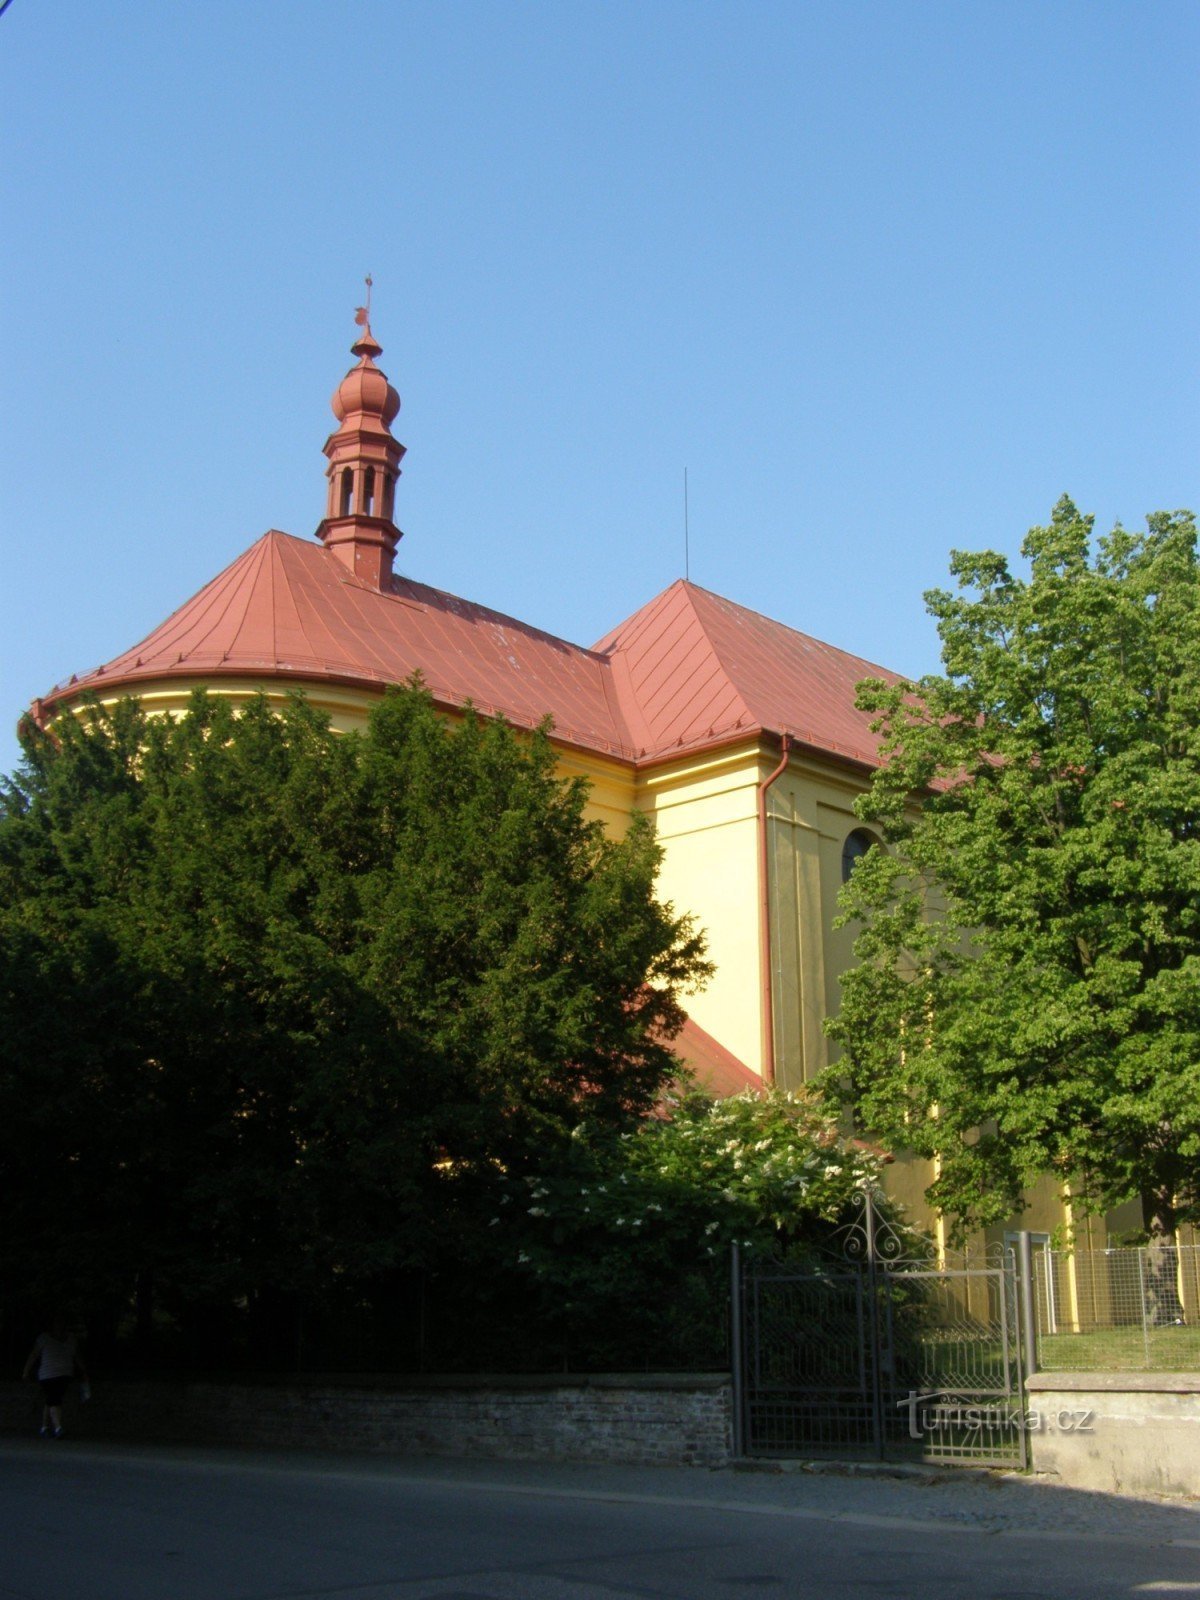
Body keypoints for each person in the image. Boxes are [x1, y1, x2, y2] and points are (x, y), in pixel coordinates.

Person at [22, 1316, 88, 1439]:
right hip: (47, 1375)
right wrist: (26, 1371)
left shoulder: (71, 1339)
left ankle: (44, 1427)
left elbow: (76, 1356)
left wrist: (83, 1371)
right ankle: (58, 1428)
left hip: (65, 1374)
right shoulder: (44, 1338)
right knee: (55, 1399)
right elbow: (34, 1354)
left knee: (51, 1400)